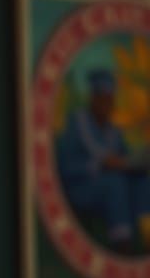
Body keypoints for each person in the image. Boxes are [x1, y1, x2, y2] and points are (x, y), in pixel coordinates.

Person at [55, 69, 150, 253]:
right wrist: (99, 165)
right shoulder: (75, 124)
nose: (108, 105)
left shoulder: (113, 130)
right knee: (114, 183)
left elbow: (124, 158)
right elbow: (65, 167)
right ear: (94, 99)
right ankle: (122, 243)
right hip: (80, 188)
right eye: (103, 100)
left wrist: (134, 163)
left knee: (142, 182)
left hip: (113, 184)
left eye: (110, 100)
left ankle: (146, 236)